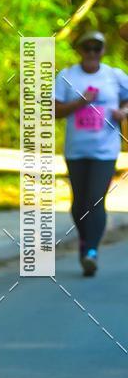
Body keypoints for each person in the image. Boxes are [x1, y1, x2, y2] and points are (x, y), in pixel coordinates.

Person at [54, 30, 128, 276]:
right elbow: (54, 111)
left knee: (96, 200)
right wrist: (81, 102)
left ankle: (91, 252)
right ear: (80, 50)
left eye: (97, 48)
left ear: (103, 51)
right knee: (79, 204)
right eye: (88, 48)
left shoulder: (114, 76)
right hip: (77, 150)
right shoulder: (67, 76)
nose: (92, 53)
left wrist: (123, 112)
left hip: (105, 151)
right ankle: (85, 243)